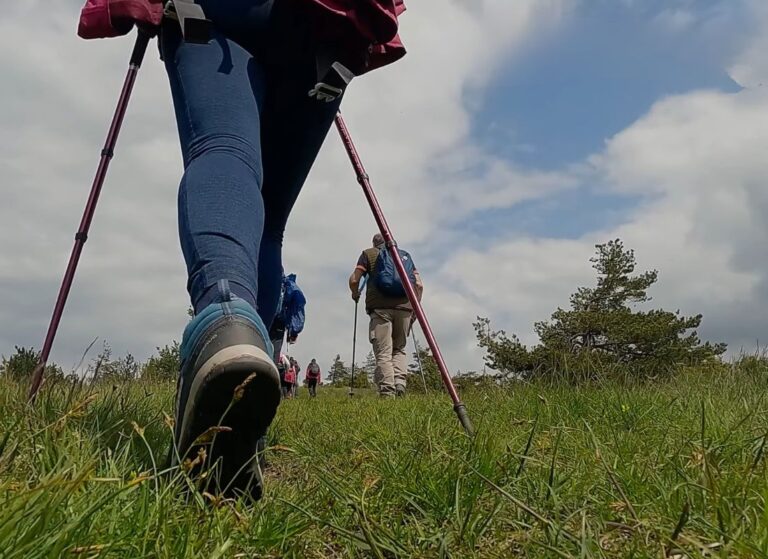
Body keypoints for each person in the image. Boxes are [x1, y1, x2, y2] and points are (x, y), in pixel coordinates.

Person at [77, 0, 407, 500]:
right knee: (269, 224)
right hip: (326, 25)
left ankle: (224, 317)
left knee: (223, 152)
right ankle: (245, 377)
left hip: (216, 11)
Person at [349, 234, 423, 397]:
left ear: (374, 243)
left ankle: (387, 391)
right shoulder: (403, 255)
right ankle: (400, 384)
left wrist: (355, 294)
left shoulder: (369, 254)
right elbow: (418, 284)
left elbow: (354, 280)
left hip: (380, 308)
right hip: (405, 308)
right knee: (399, 348)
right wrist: (415, 307)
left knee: (383, 351)